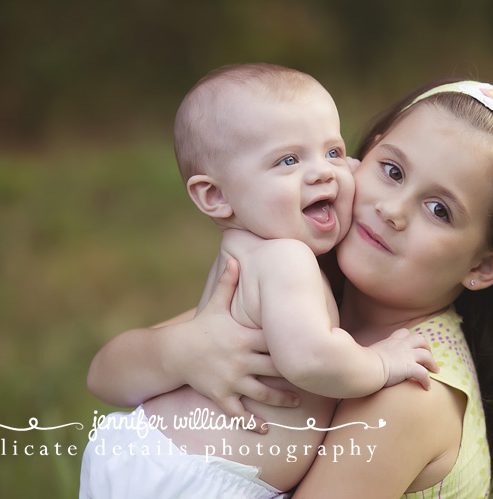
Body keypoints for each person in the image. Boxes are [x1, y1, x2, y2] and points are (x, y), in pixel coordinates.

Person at [87, 78, 493, 498]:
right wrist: (186, 351)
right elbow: (106, 377)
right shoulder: (297, 281)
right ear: (355, 162)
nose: (392, 211)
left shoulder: (410, 387)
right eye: (391, 171)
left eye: (439, 210)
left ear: (483, 266)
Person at [79, 63, 436, 498]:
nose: (323, 173)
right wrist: (382, 362)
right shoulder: (286, 258)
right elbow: (309, 360)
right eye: (288, 160)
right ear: (216, 196)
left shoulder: (241, 253)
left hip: (155, 454)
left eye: (333, 152)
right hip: (200, 478)